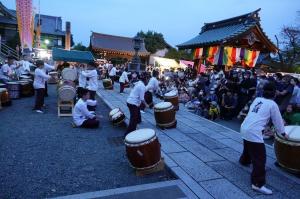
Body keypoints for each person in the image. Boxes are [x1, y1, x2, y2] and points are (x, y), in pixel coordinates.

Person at [239, 82, 287, 195]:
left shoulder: (257, 99)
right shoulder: (272, 104)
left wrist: (263, 126)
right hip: (254, 131)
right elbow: (278, 121)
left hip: (244, 127)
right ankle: (257, 184)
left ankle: (244, 160)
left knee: (248, 145)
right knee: (260, 158)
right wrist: (283, 133)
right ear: (275, 93)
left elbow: (255, 114)